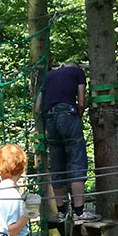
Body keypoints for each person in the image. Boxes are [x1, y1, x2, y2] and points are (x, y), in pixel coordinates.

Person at [35, 60, 93, 222]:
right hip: (68, 114)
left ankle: (60, 211)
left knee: (57, 162)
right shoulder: (77, 72)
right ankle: (79, 212)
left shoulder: (47, 76)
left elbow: (37, 108)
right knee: (77, 160)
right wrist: (77, 116)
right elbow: (81, 102)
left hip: (50, 120)